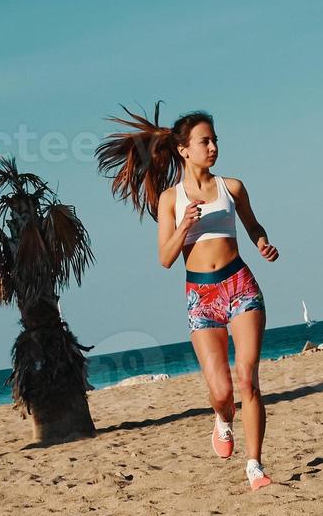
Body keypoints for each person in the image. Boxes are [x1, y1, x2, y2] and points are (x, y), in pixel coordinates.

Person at [98, 105, 280, 490]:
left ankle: (255, 465)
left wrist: (262, 242)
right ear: (184, 150)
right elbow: (165, 258)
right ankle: (222, 419)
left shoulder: (233, 187)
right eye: (205, 141)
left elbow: (253, 224)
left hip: (240, 286)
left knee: (247, 380)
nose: (212, 147)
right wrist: (184, 226)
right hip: (201, 296)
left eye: (214, 140)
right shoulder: (170, 199)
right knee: (222, 392)